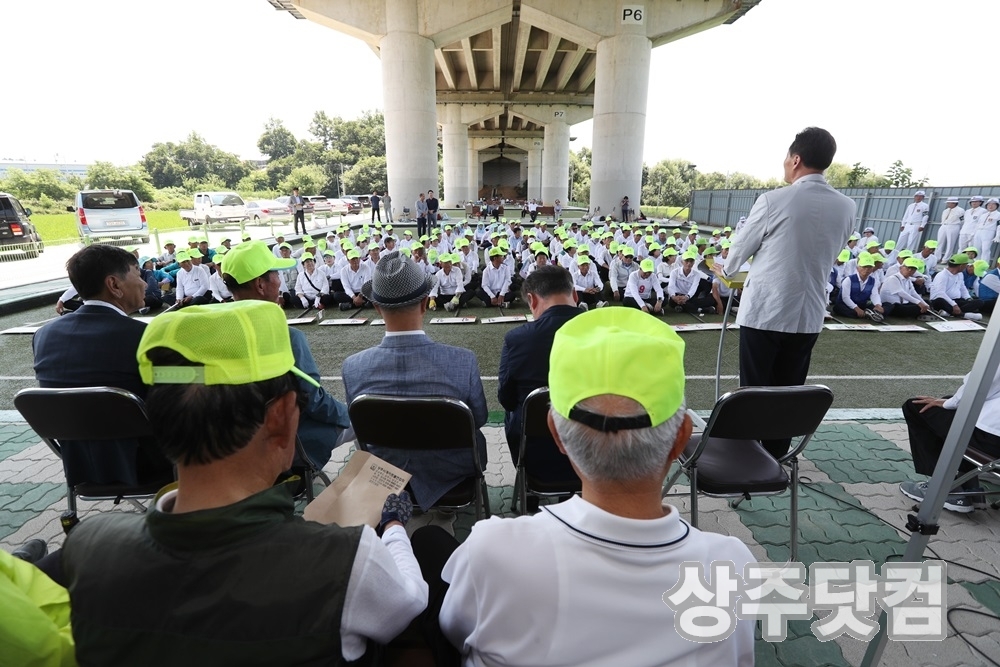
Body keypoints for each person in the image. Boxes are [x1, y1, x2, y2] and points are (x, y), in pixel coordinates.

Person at [60, 300, 427, 664]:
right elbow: (410, 600)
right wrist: (393, 526)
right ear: (281, 417)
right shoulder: (347, 560)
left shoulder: (88, 545)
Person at [438, 307, 755, 666]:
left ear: (556, 434)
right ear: (682, 437)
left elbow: (454, 630)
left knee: (431, 545)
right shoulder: (731, 565)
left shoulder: (492, 551)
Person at [713, 127, 855, 457]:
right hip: (808, 314)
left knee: (754, 390)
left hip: (766, 311)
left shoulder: (773, 200)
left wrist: (726, 269)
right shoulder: (846, 206)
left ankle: (749, 458)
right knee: (790, 390)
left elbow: (738, 253)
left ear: (796, 159)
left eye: (786, 158)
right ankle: (776, 455)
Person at [342, 251, 488, 510]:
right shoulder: (463, 361)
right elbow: (478, 418)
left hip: (383, 470)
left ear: (377, 308)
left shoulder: (353, 367)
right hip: (452, 468)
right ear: (424, 304)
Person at [32, 244, 173, 488]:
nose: (143, 283)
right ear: (114, 284)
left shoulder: (43, 335)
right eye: (138, 274)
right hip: (148, 465)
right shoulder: (143, 336)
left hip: (80, 467)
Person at [222, 241, 353, 468]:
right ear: (260, 284)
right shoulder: (287, 337)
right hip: (284, 449)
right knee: (354, 422)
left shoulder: (215, 335)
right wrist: (349, 414)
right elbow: (314, 401)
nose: (280, 280)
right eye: (276, 274)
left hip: (231, 445)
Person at [497, 265, 581, 487]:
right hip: (592, 455)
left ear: (532, 300)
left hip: (536, 455)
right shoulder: (605, 332)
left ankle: (528, 488)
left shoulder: (518, 339)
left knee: (514, 411)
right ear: (575, 295)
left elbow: (506, 398)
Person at [899, 363, 1000, 514]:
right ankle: (968, 485)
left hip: (991, 440)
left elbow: (981, 383)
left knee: (916, 407)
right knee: (949, 404)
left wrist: (950, 402)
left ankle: (943, 488)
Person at [930, 253, 984, 319]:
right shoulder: (942, 275)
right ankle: (962, 314)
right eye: (966, 264)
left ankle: (950, 313)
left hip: (956, 300)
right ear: (961, 266)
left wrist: (968, 298)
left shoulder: (960, 274)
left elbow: (963, 288)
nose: (966, 266)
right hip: (942, 300)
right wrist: (954, 305)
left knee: (979, 302)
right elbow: (940, 293)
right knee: (939, 301)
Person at [937, 196, 965, 264]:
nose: (948, 204)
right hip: (944, 225)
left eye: (949, 203)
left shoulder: (960, 211)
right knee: (939, 242)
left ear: (954, 203)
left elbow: (962, 221)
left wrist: (960, 228)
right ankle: (937, 257)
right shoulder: (945, 210)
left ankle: (945, 259)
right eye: (948, 203)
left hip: (953, 226)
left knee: (950, 243)